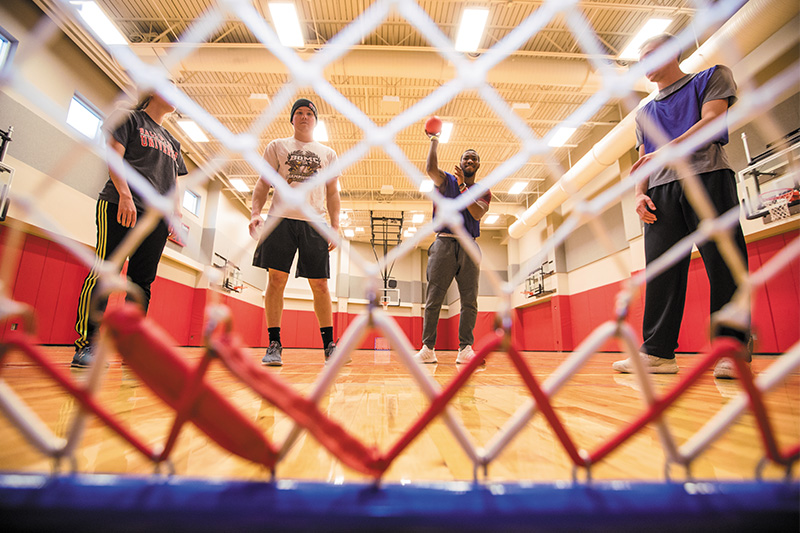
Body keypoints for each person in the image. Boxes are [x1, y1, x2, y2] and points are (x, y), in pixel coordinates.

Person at [612, 33, 749, 379]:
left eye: (649, 54)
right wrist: (640, 194)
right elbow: (645, 159)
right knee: (660, 271)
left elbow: (713, 120)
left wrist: (668, 151)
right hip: (660, 192)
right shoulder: (644, 113)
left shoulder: (712, 77)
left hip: (708, 178)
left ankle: (730, 350)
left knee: (724, 263)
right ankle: (657, 353)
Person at [72, 92, 188, 367]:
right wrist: (124, 195)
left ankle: (130, 347)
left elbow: (175, 184)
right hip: (121, 204)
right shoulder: (130, 118)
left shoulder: (173, 141)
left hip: (156, 217)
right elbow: (114, 156)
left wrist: (176, 215)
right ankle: (87, 344)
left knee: (142, 283)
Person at [249, 98, 341, 366]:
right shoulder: (277, 146)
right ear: (292, 119)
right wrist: (256, 213)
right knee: (276, 281)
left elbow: (333, 192)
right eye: (298, 113)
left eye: (309, 113)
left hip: (315, 222)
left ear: (316, 120)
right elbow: (262, 185)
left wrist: (335, 226)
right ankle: (274, 343)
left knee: (321, 285)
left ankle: (329, 346)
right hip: (280, 219)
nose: (304, 116)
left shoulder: (328, 154)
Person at [414, 133, 490, 365]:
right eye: (466, 158)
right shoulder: (446, 180)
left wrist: (464, 188)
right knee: (434, 298)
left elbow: (477, 213)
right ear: (460, 161)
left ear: (478, 164)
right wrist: (434, 141)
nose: (469, 161)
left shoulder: (482, 190)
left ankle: (465, 348)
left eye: (473, 159)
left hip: (469, 244)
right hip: (444, 242)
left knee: (469, 300)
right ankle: (428, 348)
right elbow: (430, 168)